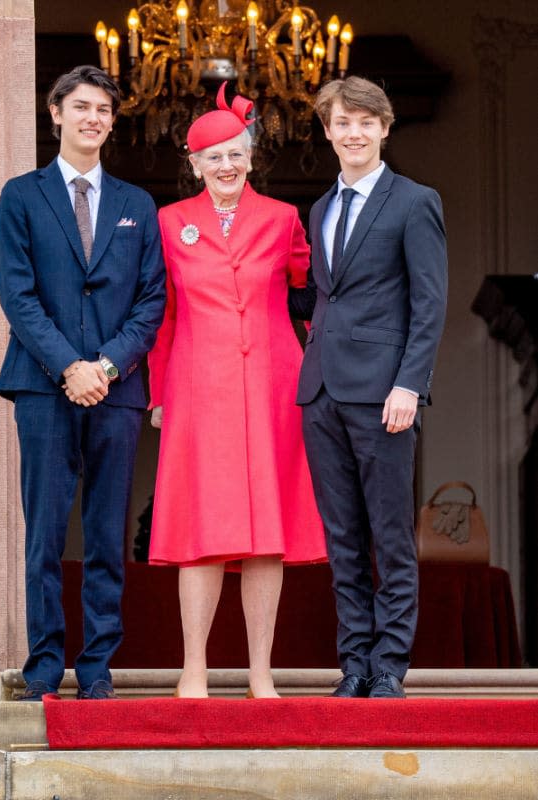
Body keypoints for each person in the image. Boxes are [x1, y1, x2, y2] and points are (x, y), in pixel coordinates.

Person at [148, 84, 326, 699]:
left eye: (235, 153)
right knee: (201, 529)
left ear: (251, 157)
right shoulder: (169, 223)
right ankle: (193, 670)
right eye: (213, 156)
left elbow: (313, 295)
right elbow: (162, 314)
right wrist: (157, 394)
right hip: (198, 386)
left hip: (274, 386)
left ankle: (260, 673)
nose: (226, 165)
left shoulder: (283, 220)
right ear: (193, 164)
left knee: (264, 533)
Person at [0, 65, 165, 701]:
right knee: (43, 529)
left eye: (104, 111)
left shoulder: (135, 205)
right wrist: (70, 366)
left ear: (112, 124)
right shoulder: (21, 196)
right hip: (43, 386)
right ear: (56, 113)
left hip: (116, 391)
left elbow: (152, 300)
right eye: (82, 107)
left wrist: (108, 367)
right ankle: (44, 663)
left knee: (105, 531)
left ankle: (96, 665)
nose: (93, 118)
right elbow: (18, 293)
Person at [293, 76, 447, 698]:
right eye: (341, 122)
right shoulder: (321, 208)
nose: (353, 133)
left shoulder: (415, 201)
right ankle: (353, 663)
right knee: (343, 540)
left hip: (386, 396)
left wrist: (410, 384)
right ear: (327, 131)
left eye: (365, 122)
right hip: (322, 393)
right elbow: (321, 295)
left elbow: (429, 302)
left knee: (390, 536)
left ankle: (389, 667)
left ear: (385, 128)